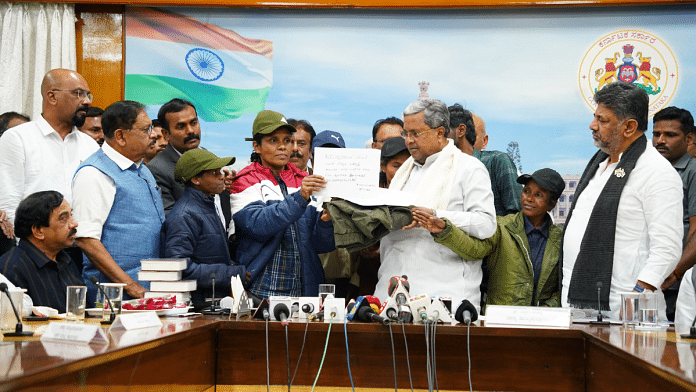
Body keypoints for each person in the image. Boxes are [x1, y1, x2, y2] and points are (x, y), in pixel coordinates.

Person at [562, 82, 683, 320]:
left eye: (603, 120)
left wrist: (635, 300)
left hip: (622, 314)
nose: (592, 125)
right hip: (575, 306)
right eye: (595, 117)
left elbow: (667, 249)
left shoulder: (656, 172)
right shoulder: (597, 166)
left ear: (629, 127)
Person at [375, 98, 496, 309]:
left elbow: (486, 224)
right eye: (406, 133)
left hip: (445, 296)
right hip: (391, 294)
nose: (409, 141)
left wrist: (436, 216)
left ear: (440, 132)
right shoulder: (404, 172)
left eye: (416, 133)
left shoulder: (469, 168)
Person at [414, 168, 565, 310]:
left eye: (538, 195)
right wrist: (445, 230)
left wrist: (550, 307)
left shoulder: (561, 238)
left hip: (544, 326)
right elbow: (475, 250)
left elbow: (566, 284)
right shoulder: (501, 227)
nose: (529, 198)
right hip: (501, 324)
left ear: (552, 203)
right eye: (526, 191)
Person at [231, 110, 335, 299]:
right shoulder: (244, 180)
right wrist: (300, 197)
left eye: (286, 140)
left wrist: (326, 222)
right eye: (273, 140)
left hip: (304, 290)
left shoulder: (306, 180)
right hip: (259, 291)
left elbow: (322, 246)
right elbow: (259, 224)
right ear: (257, 146)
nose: (283, 147)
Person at [72, 100, 164, 302]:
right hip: (115, 297)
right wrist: (130, 286)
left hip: (148, 291)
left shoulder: (142, 169)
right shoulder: (94, 173)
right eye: (146, 129)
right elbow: (86, 239)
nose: (154, 135)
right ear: (120, 136)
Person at [0, 69, 99, 225]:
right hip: (34, 243)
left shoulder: (90, 145)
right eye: (78, 93)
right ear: (52, 96)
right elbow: (9, 202)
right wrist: (25, 246)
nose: (87, 101)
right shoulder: (17, 138)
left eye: (88, 95)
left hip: (81, 243)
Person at [162, 149, 248, 306]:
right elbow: (179, 268)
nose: (222, 176)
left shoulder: (205, 206)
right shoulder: (185, 215)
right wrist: (231, 274)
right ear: (196, 179)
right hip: (198, 306)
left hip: (211, 302)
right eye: (215, 172)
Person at [0, 191, 83, 311]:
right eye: (64, 219)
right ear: (38, 231)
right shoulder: (11, 268)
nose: (74, 224)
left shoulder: (66, 261)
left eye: (71, 215)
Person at [652, 107, 696, 321]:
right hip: (651, 279)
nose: (661, 140)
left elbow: (695, 231)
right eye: (656, 134)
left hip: (677, 283)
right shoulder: (650, 171)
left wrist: (677, 273)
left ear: (688, 138)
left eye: (670, 135)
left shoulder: (693, 171)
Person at [449, 103, 521, 215]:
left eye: (443, 131)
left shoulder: (497, 162)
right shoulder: (440, 167)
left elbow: (516, 215)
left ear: (461, 131)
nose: (439, 137)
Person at [147, 98, 202, 214]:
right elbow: (171, 219)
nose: (191, 131)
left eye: (194, 123)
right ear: (166, 134)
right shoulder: (157, 170)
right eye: (181, 126)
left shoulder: (206, 155)